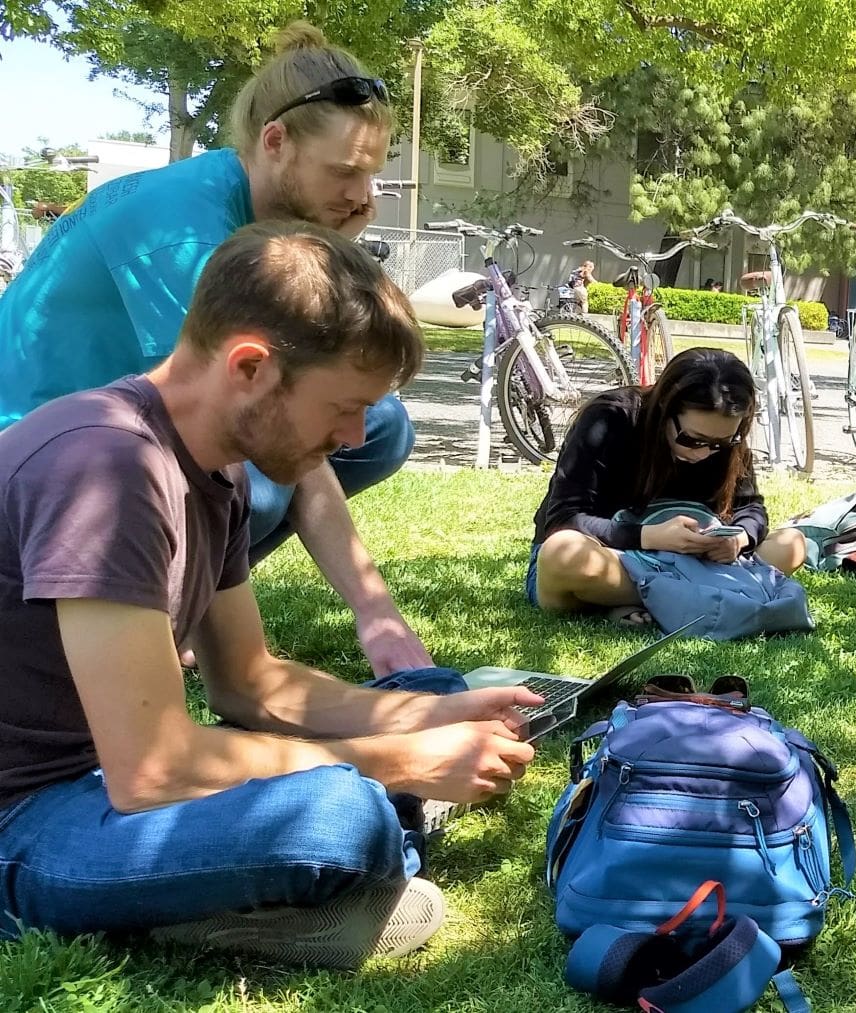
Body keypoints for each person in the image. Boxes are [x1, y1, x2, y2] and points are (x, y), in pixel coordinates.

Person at [0, 222, 540, 967]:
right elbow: (154, 770)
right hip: (23, 816)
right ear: (250, 366)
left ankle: (298, 874)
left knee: (431, 689)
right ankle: (272, 895)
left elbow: (251, 682)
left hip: (105, 777)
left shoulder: (214, 465)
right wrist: (401, 760)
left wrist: (435, 713)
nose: (354, 435)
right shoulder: (108, 467)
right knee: (339, 816)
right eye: (343, 406)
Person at [0, 22, 429, 677]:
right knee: (250, 476)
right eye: (346, 172)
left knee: (377, 427)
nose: (363, 195)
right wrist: (376, 612)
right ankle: (161, 614)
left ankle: (183, 601)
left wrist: (344, 235)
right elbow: (266, 409)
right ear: (276, 143)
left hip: (119, 442)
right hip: (39, 460)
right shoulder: (185, 235)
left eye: (371, 175)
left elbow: (350, 360)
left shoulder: (272, 221)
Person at [529, 348, 809, 626]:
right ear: (665, 406)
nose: (704, 454)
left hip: (696, 567)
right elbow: (564, 519)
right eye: (693, 439)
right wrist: (651, 537)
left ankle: (643, 602)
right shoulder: (610, 418)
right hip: (619, 558)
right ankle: (704, 598)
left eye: (720, 444)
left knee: (793, 544)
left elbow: (750, 508)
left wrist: (738, 539)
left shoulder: (726, 440)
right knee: (562, 555)